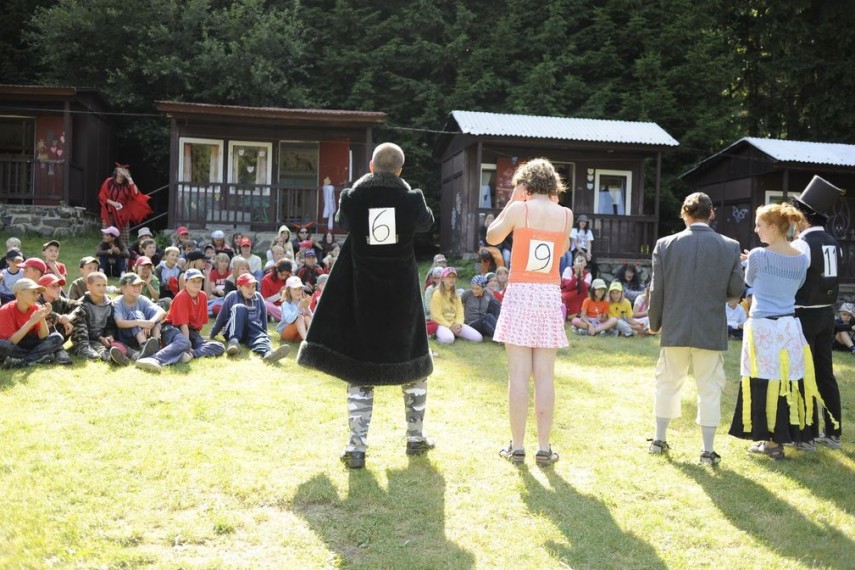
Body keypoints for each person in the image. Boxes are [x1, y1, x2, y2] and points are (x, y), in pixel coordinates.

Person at [296, 142, 435, 470]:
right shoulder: (412, 199)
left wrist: (362, 185)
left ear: (371, 167)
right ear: (400, 170)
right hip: (401, 295)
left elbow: (343, 220)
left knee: (359, 369)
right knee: (414, 365)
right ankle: (415, 438)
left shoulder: (353, 198)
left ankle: (356, 447)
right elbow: (426, 223)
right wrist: (403, 188)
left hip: (363, 292)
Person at [486, 158, 573, 466]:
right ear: (552, 184)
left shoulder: (518, 209)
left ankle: (518, 446)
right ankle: (545, 448)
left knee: (519, 375)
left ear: (525, 183)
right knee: (545, 376)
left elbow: (492, 237)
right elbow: (561, 251)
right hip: (548, 294)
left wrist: (512, 201)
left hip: (521, 292)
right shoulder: (565, 214)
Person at [648, 192, 744, 465]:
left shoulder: (665, 244)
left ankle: (659, 439)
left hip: (675, 325)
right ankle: (707, 450)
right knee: (709, 387)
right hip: (710, 326)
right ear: (711, 213)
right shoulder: (730, 246)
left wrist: (654, 323)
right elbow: (736, 289)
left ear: (684, 213)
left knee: (667, 382)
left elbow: (657, 290)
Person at [728, 203, 826, 459]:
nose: (756, 229)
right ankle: (778, 438)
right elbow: (798, 284)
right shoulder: (802, 258)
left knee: (762, 381)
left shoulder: (759, 255)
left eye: (759, 225)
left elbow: (749, 281)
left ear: (772, 227)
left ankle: (768, 440)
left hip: (763, 325)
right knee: (785, 381)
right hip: (788, 326)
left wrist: (753, 261)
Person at [790, 176, 845, 450]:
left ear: (804, 217)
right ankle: (833, 433)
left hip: (805, 314)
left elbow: (795, 280)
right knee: (825, 373)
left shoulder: (802, 244)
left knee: (803, 374)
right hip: (827, 314)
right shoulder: (833, 242)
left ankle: (806, 435)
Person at [135, 269, 225, 372]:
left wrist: (192, 348)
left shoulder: (203, 296)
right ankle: (154, 359)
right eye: (193, 281)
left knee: (219, 346)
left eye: (199, 281)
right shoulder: (181, 296)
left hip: (191, 331)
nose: (197, 284)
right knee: (184, 343)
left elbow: (199, 324)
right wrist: (188, 345)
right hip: (171, 328)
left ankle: (188, 355)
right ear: (185, 282)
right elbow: (183, 325)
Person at [209, 273, 290, 364]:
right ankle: (234, 343)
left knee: (256, 329)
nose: (251, 289)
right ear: (239, 287)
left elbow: (263, 317)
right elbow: (221, 317)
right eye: (247, 286)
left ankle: (268, 354)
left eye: (253, 286)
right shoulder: (232, 296)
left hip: (251, 331)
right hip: (232, 330)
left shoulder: (258, 297)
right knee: (239, 307)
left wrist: (263, 333)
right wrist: (212, 334)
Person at [0, 278, 69, 368]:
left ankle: (23, 361)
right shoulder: (5, 310)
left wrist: (42, 317)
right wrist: (30, 322)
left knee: (57, 338)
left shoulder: (36, 307)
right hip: (14, 345)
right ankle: (38, 357)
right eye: (33, 292)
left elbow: (43, 336)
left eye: (38, 293)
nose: (37, 296)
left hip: (29, 343)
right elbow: (11, 342)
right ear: (19, 293)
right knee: (2, 345)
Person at [111, 273, 165, 360]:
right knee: (135, 314)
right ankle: (144, 346)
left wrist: (151, 322)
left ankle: (156, 344)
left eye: (139, 285)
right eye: (134, 285)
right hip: (126, 336)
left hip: (145, 333)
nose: (138, 288)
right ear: (123, 287)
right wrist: (140, 323)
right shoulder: (118, 301)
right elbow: (119, 323)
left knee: (155, 314)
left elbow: (161, 311)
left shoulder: (142, 298)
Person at [98, 164, 152, 245]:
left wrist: (129, 178)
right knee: (108, 236)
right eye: (119, 172)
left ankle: (123, 252)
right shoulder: (109, 182)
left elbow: (136, 193)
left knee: (124, 238)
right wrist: (113, 203)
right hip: (109, 213)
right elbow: (102, 196)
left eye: (123, 172)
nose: (121, 174)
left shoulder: (127, 185)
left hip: (123, 215)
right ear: (116, 172)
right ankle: (106, 251)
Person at [430, 267, 483, 344]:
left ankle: (454, 333)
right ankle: (437, 335)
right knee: (449, 339)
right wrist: (449, 326)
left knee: (478, 338)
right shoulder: (437, 294)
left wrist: (459, 324)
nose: (451, 279)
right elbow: (436, 316)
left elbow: (460, 312)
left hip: (454, 323)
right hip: (441, 324)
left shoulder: (456, 294)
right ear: (443, 279)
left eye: (453, 277)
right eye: (448, 277)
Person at [276, 276, 313, 342]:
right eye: (295, 289)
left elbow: (312, 318)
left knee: (307, 317)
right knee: (300, 318)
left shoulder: (302, 301)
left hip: (299, 334)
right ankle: (305, 341)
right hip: (287, 333)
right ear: (289, 291)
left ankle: (311, 338)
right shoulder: (286, 304)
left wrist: (306, 308)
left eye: (300, 289)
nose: (298, 291)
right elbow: (289, 320)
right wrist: (299, 308)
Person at [560, 253, 591, 320]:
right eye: (578, 260)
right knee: (563, 297)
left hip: (580, 293)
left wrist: (581, 275)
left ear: (586, 263)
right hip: (567, 293)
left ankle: (577, 313)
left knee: (584, 293)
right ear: (574, 262)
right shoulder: (568, 270)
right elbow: (568, 287)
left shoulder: (588, 275)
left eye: (582, 261)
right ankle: (570, 313)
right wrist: (576, 275)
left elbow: (583, 289)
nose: (580, 263)